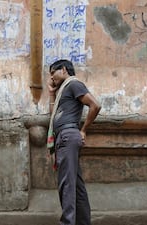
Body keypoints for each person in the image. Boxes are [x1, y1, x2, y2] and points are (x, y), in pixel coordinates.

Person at [46, 59, 101, 225]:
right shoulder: (65, 89)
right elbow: (53, 115)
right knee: (76, 186)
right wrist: (51, 93)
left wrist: (83, 130)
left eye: (52, 73)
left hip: (68, 136)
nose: (51, 78)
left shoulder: (73, 84)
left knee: (67, 185)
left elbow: (95, 105)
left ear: (63, 69)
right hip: (65, 137)